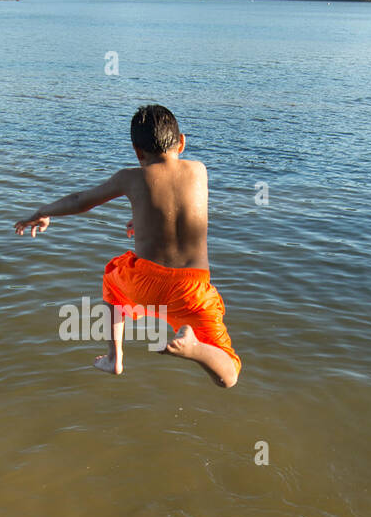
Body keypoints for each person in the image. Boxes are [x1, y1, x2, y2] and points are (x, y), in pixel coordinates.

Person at [13, 105, 241, 387]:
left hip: (146, 283)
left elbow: (79, 200)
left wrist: (41, 212)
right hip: (191, 289)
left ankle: (114, 358)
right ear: (182, 142)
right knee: (229, 375)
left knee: (113, 277)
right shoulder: (199, 170)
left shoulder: (130, 177)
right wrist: (144, 221)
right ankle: (194, 348)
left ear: (137, 151)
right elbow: (181, 210)